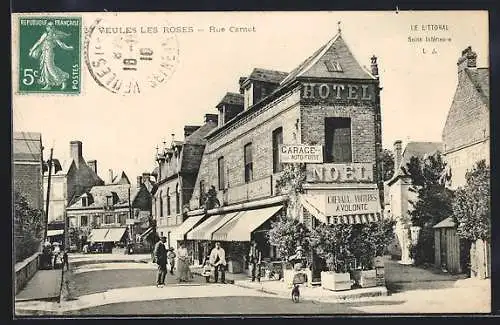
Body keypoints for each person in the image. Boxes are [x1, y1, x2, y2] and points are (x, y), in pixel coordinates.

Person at [28, 21, 74, 90]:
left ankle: (62, 81)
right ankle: (48, 85)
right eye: (49, 26)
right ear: (47, 27)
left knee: (50, 68)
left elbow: (61, 44)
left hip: (49, 53)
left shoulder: (54, 35)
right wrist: (32, 50)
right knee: (45, 68)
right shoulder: (45, 34)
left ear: (54, 28)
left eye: (52, 26)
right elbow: (38, 42)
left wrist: (68, 48)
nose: (51, 28)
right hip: (44, 53)